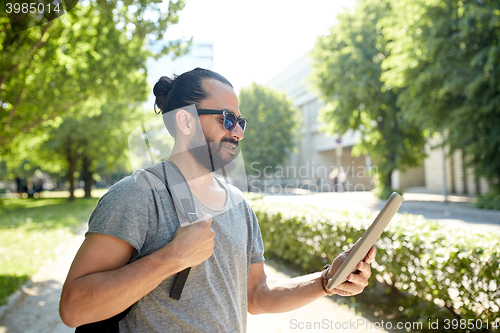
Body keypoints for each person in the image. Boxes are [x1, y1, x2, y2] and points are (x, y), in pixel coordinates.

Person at [59, 68, 376, 332]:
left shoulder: (238, 203)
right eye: (227, 119)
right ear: (185, 122)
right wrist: (172, 257)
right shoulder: (136, 195)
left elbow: (256, 295)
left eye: (241, 122)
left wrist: (325, 281)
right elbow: (74, 308)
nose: (237, 132)